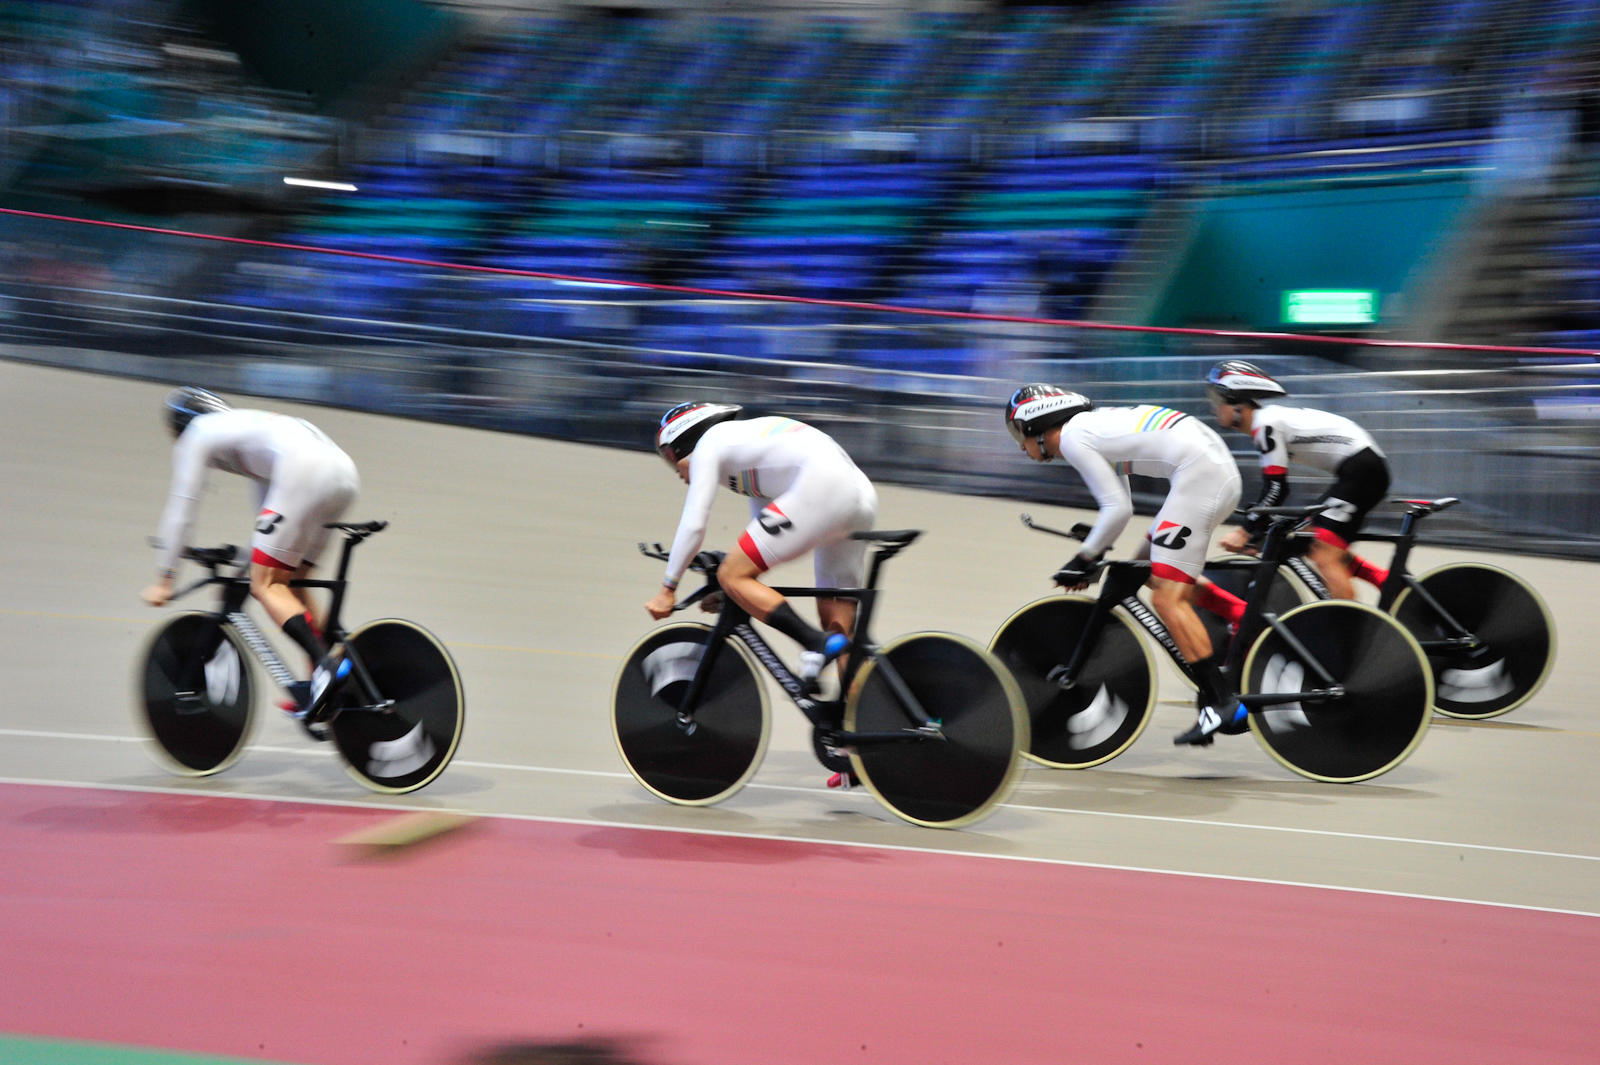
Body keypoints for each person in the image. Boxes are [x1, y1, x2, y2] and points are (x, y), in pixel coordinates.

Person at [1005, 384, 1244, 746]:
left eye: (1017, 434)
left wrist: (1083, 558)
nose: (1019, 446)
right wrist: (1093, 550)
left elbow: (1115, 510)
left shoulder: (1072, 438)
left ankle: (1222, 702)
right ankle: (1237, 611)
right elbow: (1121, 508)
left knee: (1167, 598)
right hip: (1209, 473)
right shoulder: (1092, 428)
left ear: (1035, 423)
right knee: (1143, 568)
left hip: (1201, 477)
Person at [142, 387, 360, 721]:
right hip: (342, 474)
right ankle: (323, 676)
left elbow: (182, 507)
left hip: (306, 469)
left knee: (265, 585)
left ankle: (328, 670)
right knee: (291, 580)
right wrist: (243, 567)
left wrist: (165, 578)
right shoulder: (248, 439)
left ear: (179, 427)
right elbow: (267, 528)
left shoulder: (198, 433)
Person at [646, 401, 878, 701]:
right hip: (859, 494)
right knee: (838, 628)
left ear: (684, 441)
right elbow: (763, 538)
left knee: (733, 573)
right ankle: (858, 724)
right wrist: (734, 591)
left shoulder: (709, 444)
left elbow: (694, 523)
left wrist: (669, 587)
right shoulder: (745, 448)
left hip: (823, 484)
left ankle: (813, 644)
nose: (673, 469)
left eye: (669, 456)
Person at [1205, 360, 1392, 600]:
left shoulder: (1265, 424)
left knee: (1325, 555)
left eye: (1218, 402)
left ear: (1238, 404)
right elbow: (1275, 491)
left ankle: (1349, 629)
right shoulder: (1268, 421)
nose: (1214, 408)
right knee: (1306, 537)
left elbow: (1276, 487)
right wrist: (1258, 533)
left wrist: (1245, 531)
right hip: (1359, 470)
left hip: (1361, 471)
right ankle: (1383, 580)